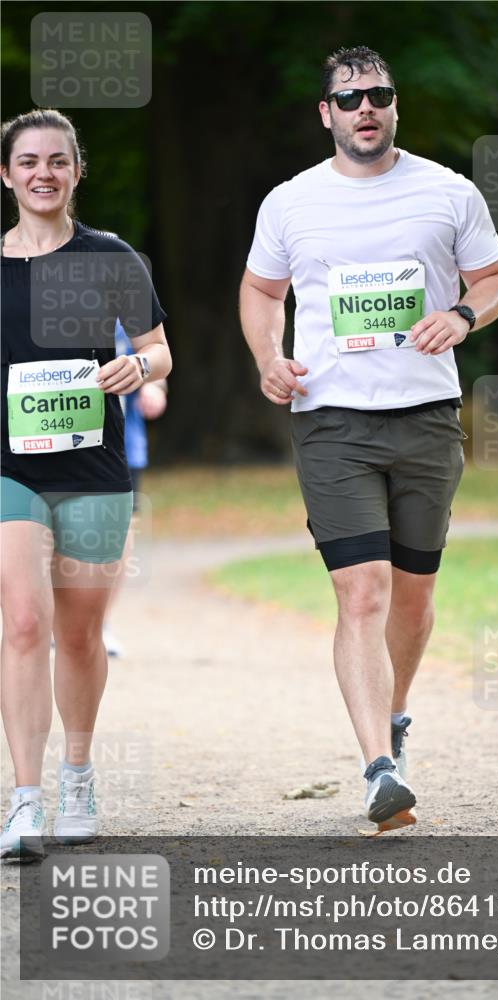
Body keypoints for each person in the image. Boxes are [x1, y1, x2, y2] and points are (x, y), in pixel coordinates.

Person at [240, 47, 498, 830]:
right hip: (331, 422)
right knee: (361, 591)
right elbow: (261, 290)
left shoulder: (447, 192)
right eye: (350, 98)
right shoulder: (290, 202)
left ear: (394, 106)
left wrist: (462, 314)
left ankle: (393, 711)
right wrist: (268, 356)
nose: (366, 108)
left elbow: (494, 279)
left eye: (379, 95)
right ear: (325, 113)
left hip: (425, 415)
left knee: (413, 595)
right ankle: (378, 768)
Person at [0, 109, 172, 859]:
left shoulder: (112, 258)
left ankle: (77, 777)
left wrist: (139, 367)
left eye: (58, 161)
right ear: (6, 175)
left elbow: (160, 351)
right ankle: (24, 800)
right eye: (28, 161)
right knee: (22, 625)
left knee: (77, 634)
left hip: (94, 470)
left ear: (75, 172)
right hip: (9, 468)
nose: (43, 173)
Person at [102, 320, 168, 658]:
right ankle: (54, 619)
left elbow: (153, 352)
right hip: (49, 441)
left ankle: (101, 622)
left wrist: (156, 388)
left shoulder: (118, 285)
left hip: (121, 442)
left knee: (119, 530)